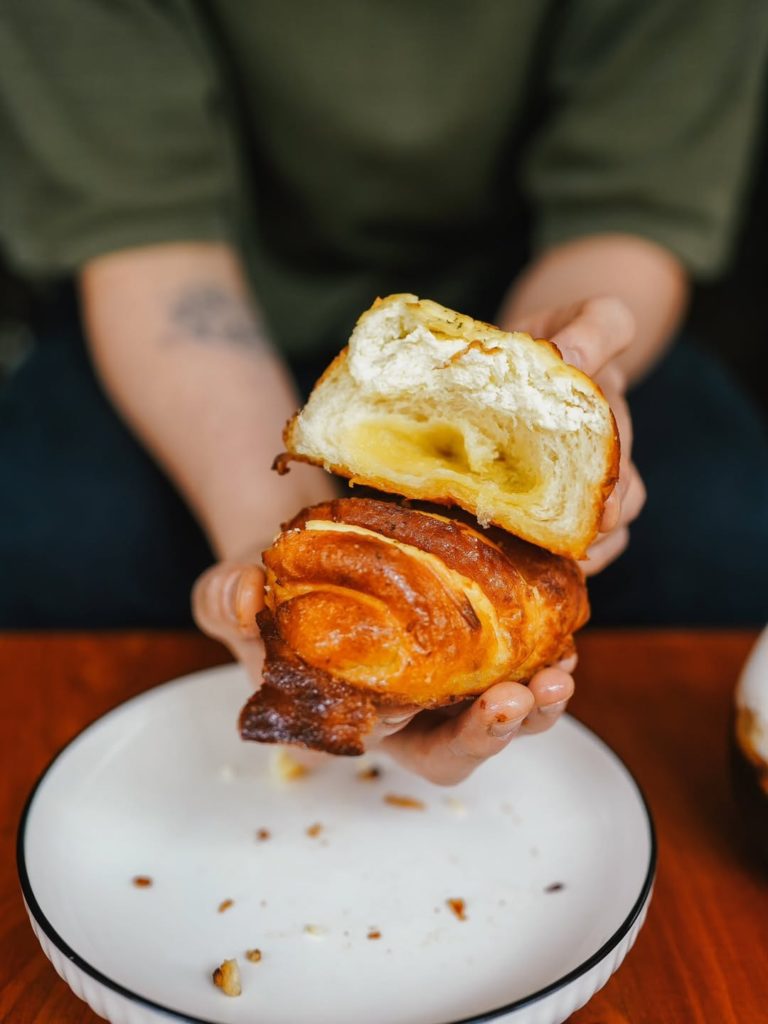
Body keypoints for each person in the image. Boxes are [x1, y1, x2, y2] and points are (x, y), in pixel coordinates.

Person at [1, 2, 766, 783]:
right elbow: (148, 244)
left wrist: (558, 380)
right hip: (210, 311)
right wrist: (276, 555)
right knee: (41, 529)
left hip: (532, 296)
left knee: (732, 532)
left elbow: (627, 216)